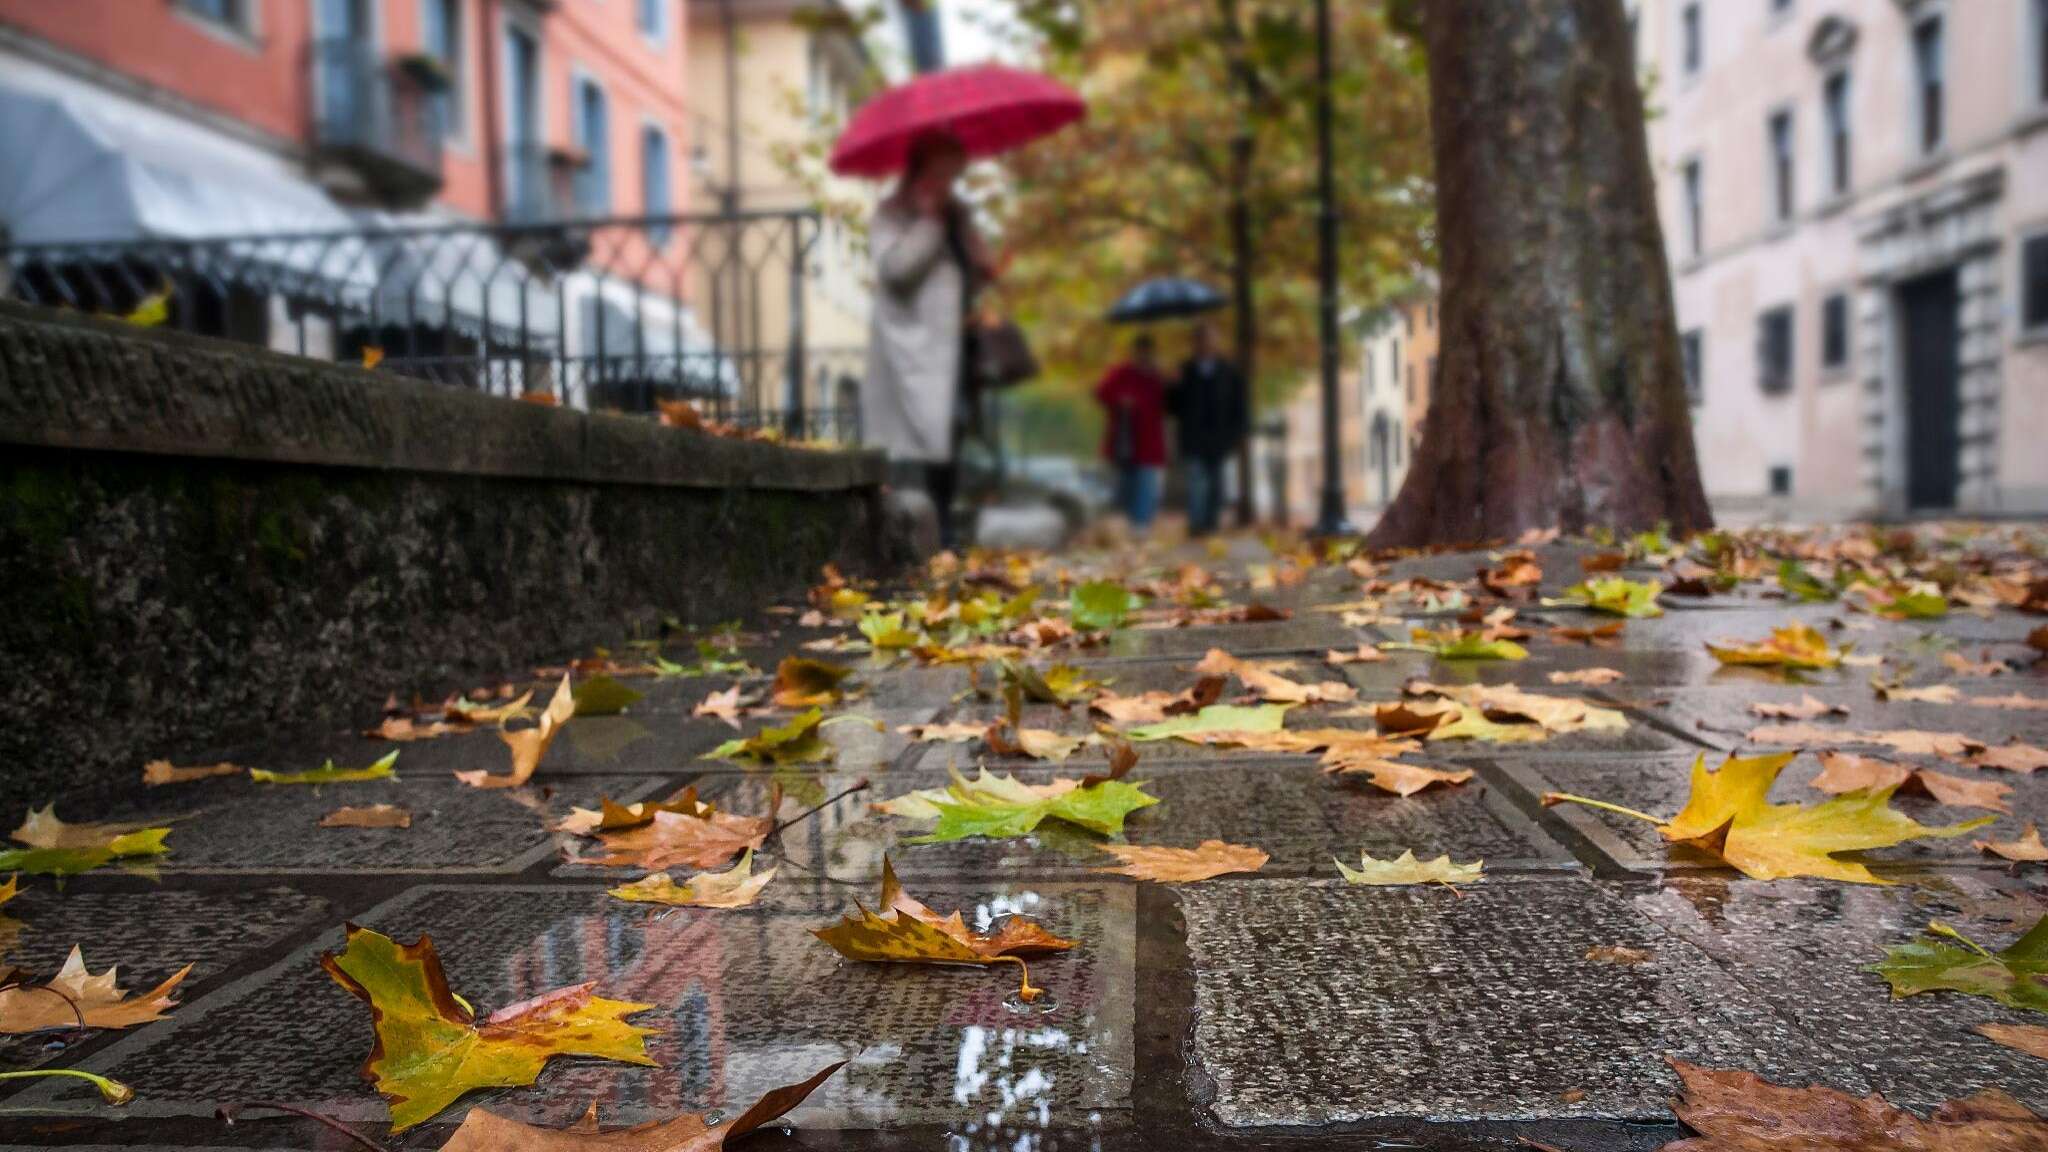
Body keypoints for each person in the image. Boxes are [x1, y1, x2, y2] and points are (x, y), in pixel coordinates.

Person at [862, 131, 994, 550]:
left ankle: (944, 529)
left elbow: (974, 274)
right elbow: (896, 272)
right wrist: (927, 222)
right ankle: (914, 534)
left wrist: (978, 255)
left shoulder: (957, 215)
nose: (948, 180)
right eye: (942, 169)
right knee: (913, 444)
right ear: (921, 166)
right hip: (911, 349)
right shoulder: (894, 213)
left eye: (953, 172)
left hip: (954, 347)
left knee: (949, 438)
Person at [1168, 323, 1249, 536]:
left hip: (1220, 438)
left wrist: (1237, 433)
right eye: (1201, 339)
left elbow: (1239, 406)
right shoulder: (1185, 371)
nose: (1205, 344)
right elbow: (1171, 408)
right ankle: (1197, 524)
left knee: (1216, 482)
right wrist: (1172, 387)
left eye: (1210, 339)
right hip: (1193, 437)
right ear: (1195, 343)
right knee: (1197, 480)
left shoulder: (1229, 372)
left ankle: (1211, 523)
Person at [1094, 333, 1169, 532]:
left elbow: (1170, 402)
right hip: (1126, 442)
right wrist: (1120, 400)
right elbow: (1101, 392)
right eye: (1141, 351)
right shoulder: (1122, 373)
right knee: (1127, 485)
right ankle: (1134, 520)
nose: (1144, 355)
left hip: (1149, 440)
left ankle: (1142, 523)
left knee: (1146, 483)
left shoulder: (1158, 377)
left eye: (1147, 352)